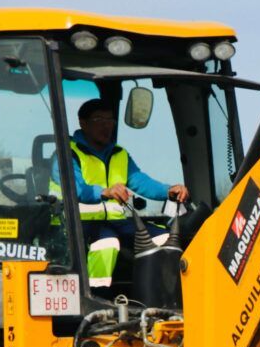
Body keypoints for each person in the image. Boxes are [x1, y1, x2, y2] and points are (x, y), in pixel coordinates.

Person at [62, 97, 190, 287]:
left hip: (116, 222)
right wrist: (105, 191)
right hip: (78, 225)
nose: (107, 126)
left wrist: (168, 190)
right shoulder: (67, 152)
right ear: (83, 123)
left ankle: (157, 295)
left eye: (110, 121)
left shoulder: (119, 154)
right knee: (107, 245)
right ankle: (95, 296)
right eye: (99, 121)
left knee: (165, 239)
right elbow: (75, 189)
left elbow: (140, 181)